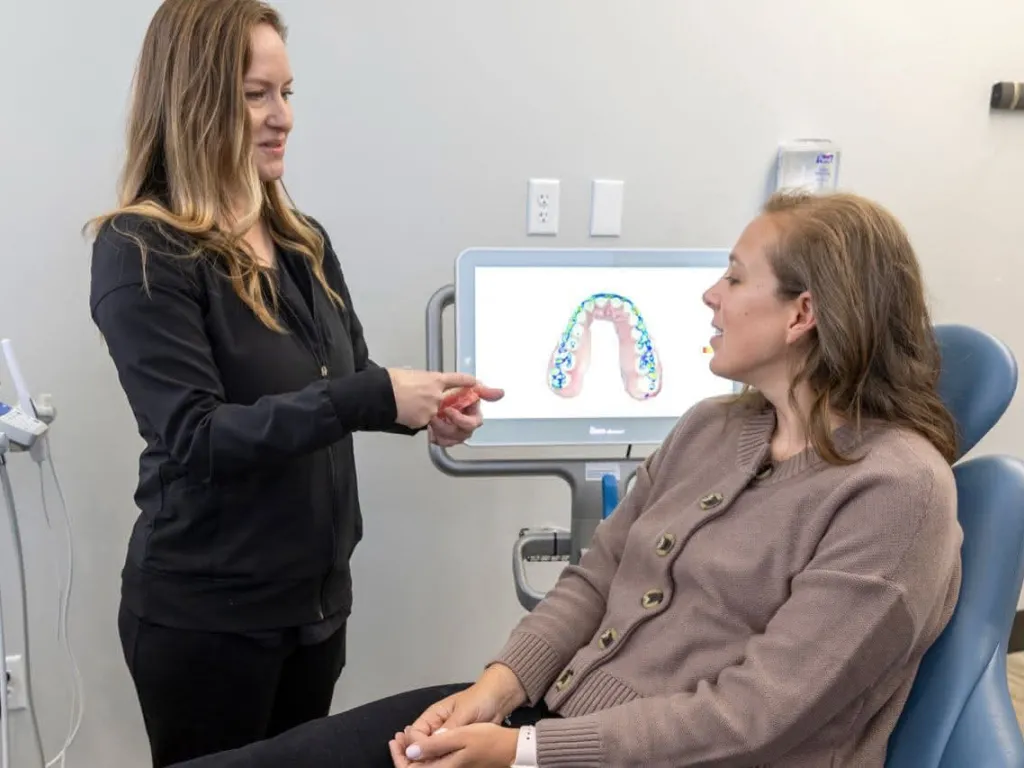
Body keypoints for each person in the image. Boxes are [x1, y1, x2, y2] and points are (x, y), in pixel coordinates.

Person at [170, 188, 963, 768]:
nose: (709, 295)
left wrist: (525, 753)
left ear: (802, 314)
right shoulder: (712, 429)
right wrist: (493, 691)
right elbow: (596, 578)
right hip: (558, 726)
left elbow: (756, 715)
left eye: (733, 277)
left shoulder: (897, 494)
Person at [86, 0, 503, 765]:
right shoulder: (141, 249)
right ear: (195, 100)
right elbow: (197, 436)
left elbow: (342, 381)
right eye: (256, 95)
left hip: (313, 612)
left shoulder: (300, 241)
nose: (283, 117)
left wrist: (420, 409)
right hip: (208, 623)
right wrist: (373, 396)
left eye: (286, 92)